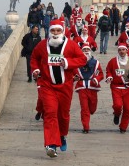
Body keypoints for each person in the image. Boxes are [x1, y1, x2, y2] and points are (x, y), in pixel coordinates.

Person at [30, 19, 86, 158]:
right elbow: (34, 58)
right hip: (47, 85)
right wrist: (36, 69)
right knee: (50, 113)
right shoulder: (42, 45)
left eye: (58, 31)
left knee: (63, 115)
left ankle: (62, 136)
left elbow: (82, 59)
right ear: (49, 32)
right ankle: (51, 144)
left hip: (65, 86)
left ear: (62, 31)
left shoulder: (71, 46)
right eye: (53, 31)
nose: (55, 34)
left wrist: (67, 62)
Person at [105, 43, 129, 133]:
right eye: (120, 50)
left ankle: (123, 127)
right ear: (118, 51)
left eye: (123, 50)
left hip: (128, 87)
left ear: (126, 50)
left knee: (128, 109)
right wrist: (109, 77)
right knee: (118, 105)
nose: (121, 52)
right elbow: (108, 70)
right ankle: (117, 114)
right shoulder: (113, 61)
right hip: (116, 86)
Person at [73, 42, 104, 133]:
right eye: (84, 50)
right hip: (82, 87)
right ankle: (86, 127)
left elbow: (101, 74)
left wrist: (96, 79)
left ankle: (91, 112)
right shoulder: (77, 62)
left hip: (93, 87)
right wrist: (73, 78)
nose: (86, 51)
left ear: (90, 51)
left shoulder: (95, 63)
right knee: (84, 108)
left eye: (87, 50)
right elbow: (71, 74)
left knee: (92, 107)